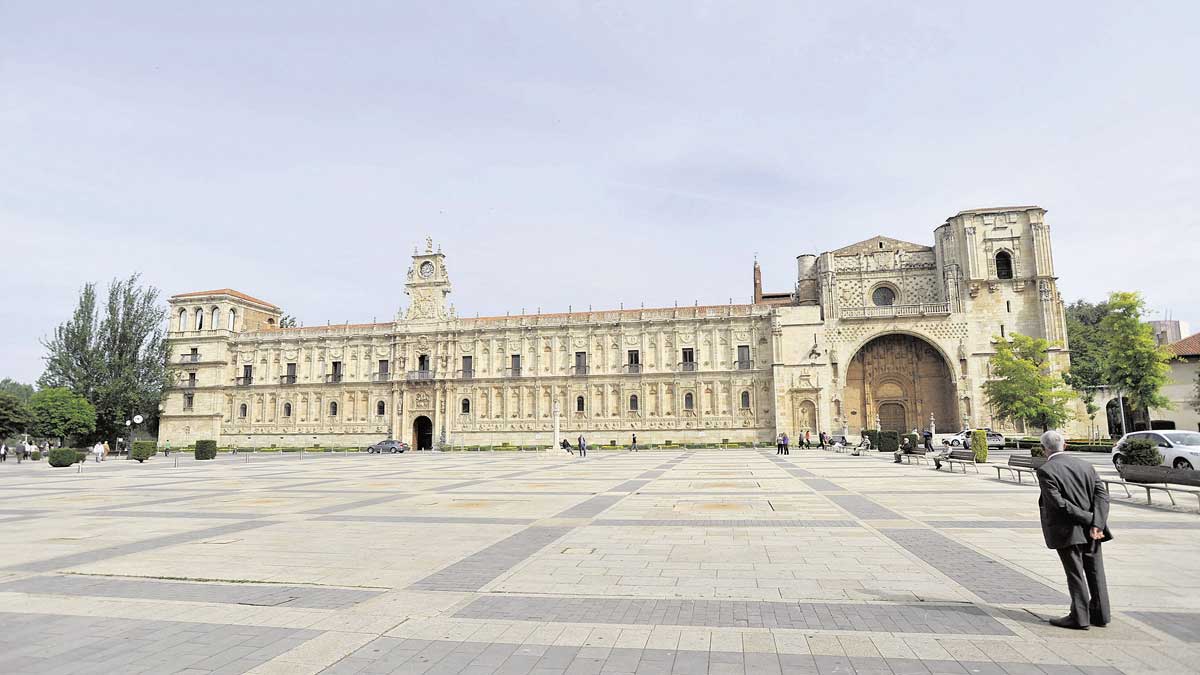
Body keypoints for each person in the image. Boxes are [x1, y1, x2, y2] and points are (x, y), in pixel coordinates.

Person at [1035, 429, 1112, 630]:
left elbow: (1058, 504)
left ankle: (1079, 617)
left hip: (1067, 531)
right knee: (1096, 572)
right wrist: (1097, 523)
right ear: (1065, 445)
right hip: (1094, 530)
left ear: (1044, 449)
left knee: (1076, 573)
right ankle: (1101, 615)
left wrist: (1089, 519)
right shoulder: (1085, 465)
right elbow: (1102, 496)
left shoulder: (1047, 470)